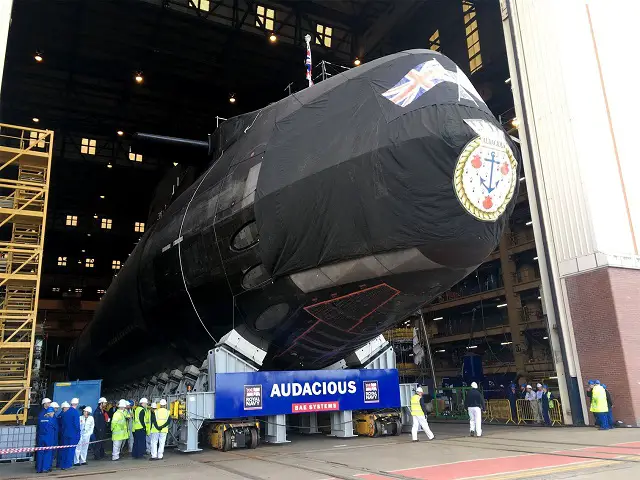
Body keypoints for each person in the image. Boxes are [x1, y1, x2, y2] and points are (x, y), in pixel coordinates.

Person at [59, 401, 79, 469]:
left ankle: (63, 465)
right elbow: (77, 425)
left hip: (65, 434)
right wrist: (78, 433)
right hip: (73, 435)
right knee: (71, 450)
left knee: (64, 450)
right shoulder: (75, 412)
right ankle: (68, 465)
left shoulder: (63, 414)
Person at [36, 407, 56, 473]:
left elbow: (38, 427)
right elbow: (55, 428)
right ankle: (45, 468)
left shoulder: (40, 419)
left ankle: (39, 468)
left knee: (40, 453)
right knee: (48, 453)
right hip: (48, 438)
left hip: (40, 438)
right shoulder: (51, 420)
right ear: (51, 412)